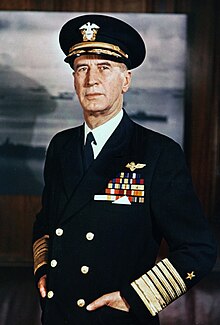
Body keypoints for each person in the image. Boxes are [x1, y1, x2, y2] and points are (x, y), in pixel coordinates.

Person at [32, 14, 217, 325]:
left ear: (126, 80)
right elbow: (46, 221)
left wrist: (135, 297)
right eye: (82, 68)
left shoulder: (158, 154)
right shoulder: (61, 146)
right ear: (74, 79)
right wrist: (43, 269)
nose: (91, 80)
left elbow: (198, 249)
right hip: (58, 315)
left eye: (104, 68)